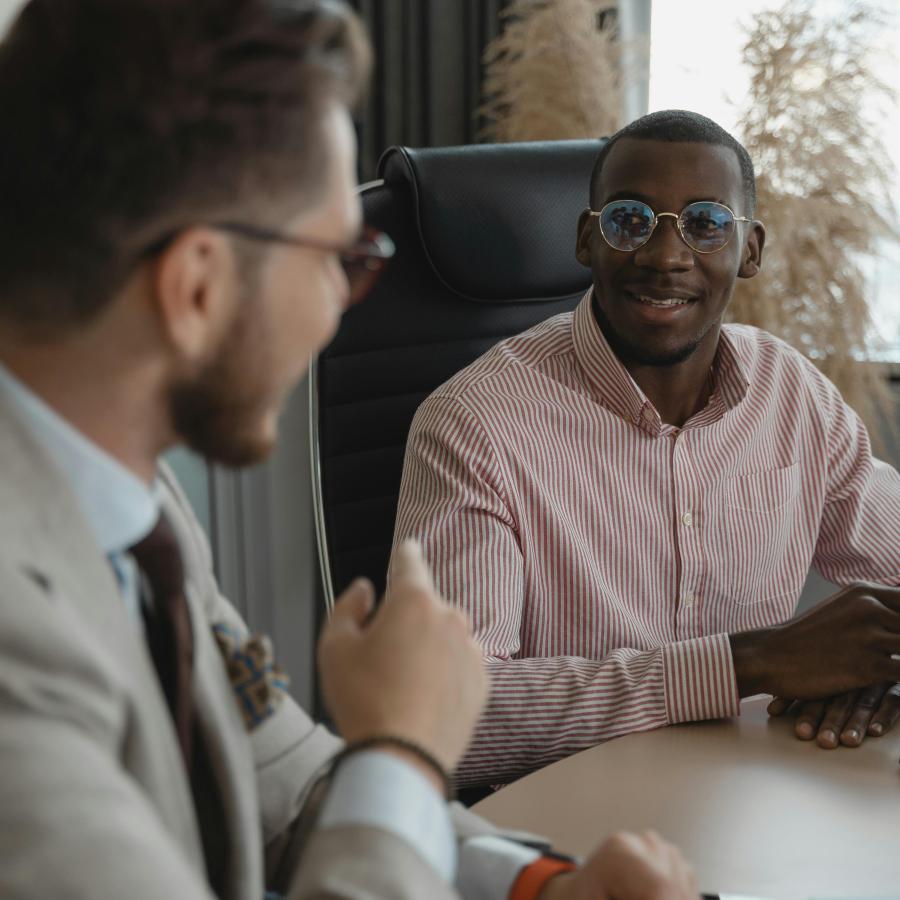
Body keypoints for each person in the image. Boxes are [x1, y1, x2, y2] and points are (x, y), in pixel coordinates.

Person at [0, 1, 699, 898]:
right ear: (197, 288)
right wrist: (404, 747)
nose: (339, 306)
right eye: (339, 258)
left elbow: (287, 788)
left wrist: (538, 887)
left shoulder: (134, 503)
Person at [394, 109, 900, 787]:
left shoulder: (791, 392)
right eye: (630, 220)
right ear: (587, 239)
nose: (665, 257)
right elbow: (440, 715)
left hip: (753, 793)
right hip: (568, 814)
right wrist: (749, 664)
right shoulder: (474, 424)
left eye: (706, 223)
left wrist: (876, 672)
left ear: (749, 250)